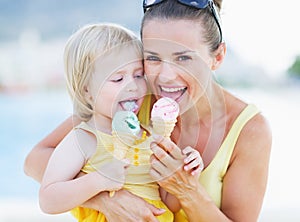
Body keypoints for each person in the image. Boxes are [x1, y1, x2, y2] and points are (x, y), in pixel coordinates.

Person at [24, 0, 272, 221]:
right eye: (153, 58)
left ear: (218, 57)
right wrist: (107, 198)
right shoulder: (131, 100)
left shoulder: (249, 130)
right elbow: (36, 160)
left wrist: (187, 189)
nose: (165, 77)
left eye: (184, 58)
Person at [37, 22, 201, 221]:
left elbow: (169, 204)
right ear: (86, 91)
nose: (132, 86)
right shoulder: (84, 139)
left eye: (138, 75)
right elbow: (48, 200)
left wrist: (184, 172)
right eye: (117, 79)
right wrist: (99, 180)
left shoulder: (149, 135)